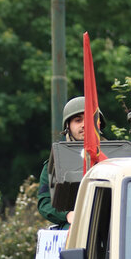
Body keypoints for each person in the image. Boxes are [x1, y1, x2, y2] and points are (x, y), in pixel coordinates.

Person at [38, 96, 94, 227]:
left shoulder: (115, 159)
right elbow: (44, 203)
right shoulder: (55, 164)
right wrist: (67, 215)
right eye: (78, 120)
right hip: (73, 228)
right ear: (68, 126)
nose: (84, 124)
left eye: (89, 119)